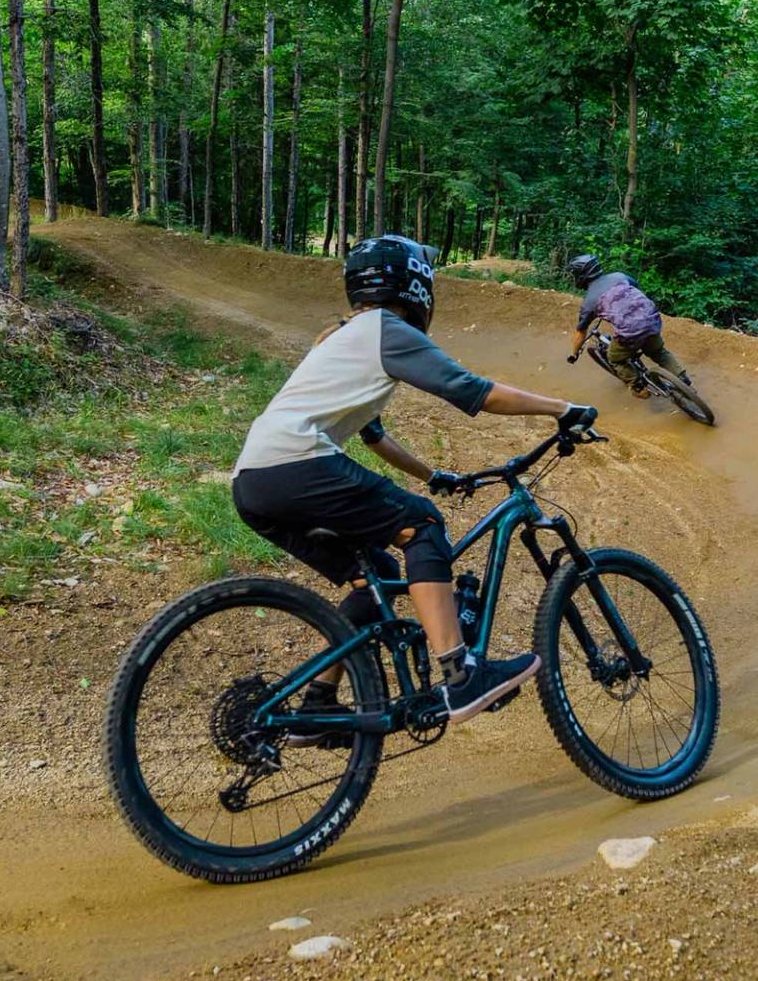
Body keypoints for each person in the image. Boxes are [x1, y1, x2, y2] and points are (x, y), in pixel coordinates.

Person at [231, 235, 599, 727]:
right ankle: (460, 674)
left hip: (254, 484)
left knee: (374, 576)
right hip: (296, 464)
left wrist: (434, 475)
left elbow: (374, 437)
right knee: (422, 524)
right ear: (415, 284)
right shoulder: (385, 330)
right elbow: (473, 392)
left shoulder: (346, 337)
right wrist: (563, 408)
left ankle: (317, 701)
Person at [564, 254, 689, 395]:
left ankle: (638, 387)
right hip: (652, 319)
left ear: (580, 276)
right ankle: (682, 378)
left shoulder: (590, 302)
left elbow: (581, 333)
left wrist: (574, 354)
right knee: (658, 352)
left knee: (614, 358)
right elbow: (635, 289)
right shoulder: (619, 276)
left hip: (631, 333)